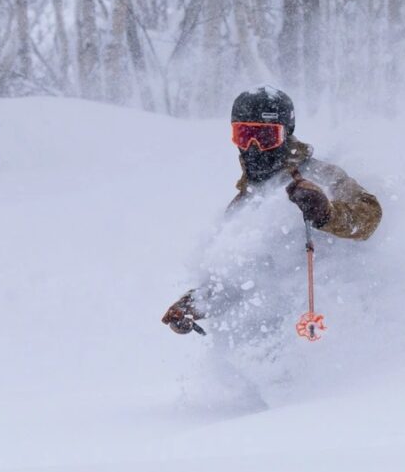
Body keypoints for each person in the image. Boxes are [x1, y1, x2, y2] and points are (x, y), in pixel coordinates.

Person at [162, 87, 382, 335]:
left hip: (331, 325)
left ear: (286, 135)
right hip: (272, 341)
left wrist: (326, 214)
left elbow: (369, 217)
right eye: (244, 136)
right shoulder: (241, 205)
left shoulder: (319, 176)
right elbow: (238, 279)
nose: (254, 148)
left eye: (266, 137)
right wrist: (196, 303)